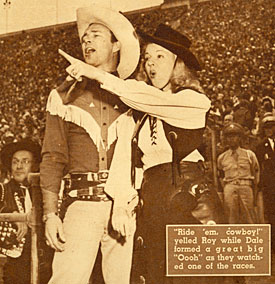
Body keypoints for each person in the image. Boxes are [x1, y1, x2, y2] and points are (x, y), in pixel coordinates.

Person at [60, 23, 225, 284]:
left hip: (190, 204)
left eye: (160, 56)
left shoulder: (193, 101)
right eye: (147, 57)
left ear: (178, 63)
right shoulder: (136, 115)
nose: (151, 64)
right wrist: (121, 208)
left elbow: (141, 95)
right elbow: (125, 162)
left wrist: (96, 73)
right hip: (154, 204)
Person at [40, 5, 140, 284]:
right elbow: (52, 158)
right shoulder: (62, 97)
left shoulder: (134, 96)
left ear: (116, 44)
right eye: (84, 37)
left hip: (125, 206)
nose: (86, 41)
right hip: (80, 205)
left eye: (95, 35)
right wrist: (50, 215)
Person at [0, 138, 52, 284]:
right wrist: (13, 215)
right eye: (15, 162)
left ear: (35, 166)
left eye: (25, 162)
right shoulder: (4, 189)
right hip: (16, 261)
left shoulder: (44, 192)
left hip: (45, 259)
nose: (19, 166)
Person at [217, 122, 260, 224]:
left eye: (234, 136)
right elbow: (220, 175)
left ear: (240, 138)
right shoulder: (222, 157)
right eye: (228, 137)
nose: (231, 139)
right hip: (230, 187)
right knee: (231, 218)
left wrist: (254, 189)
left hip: (246, 186)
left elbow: (256, 173)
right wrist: (227, 188)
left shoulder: (249, 155)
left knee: (249, 217)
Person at [255, 113, 275, 251]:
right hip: (270, 185)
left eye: (272, 127)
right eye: (267, 128)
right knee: (271, 212)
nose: (270, 130)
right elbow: (258, 166)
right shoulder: (261, 146)